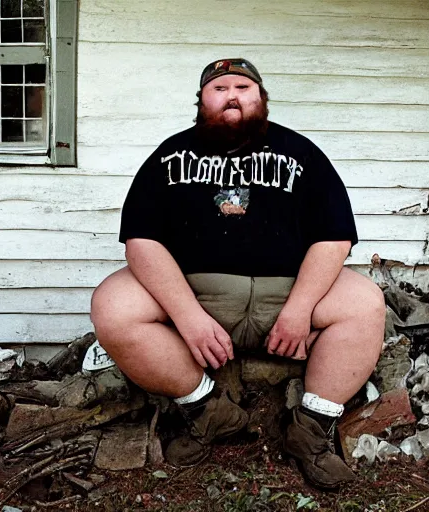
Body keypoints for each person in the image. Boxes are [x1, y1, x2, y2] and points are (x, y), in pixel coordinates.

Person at [90, 58, 386, 489]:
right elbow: (141, 242)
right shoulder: (168, 156)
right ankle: (210, 412)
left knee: (364, 302)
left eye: (243, 87)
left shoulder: (302, 153)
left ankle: (310, 431)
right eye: (220, 87)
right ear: (201, 101)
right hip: (198, 296)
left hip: (285, 295)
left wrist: (300, 309)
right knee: (113, 305)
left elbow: (335, 236)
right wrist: (188, 317)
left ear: (261, 98)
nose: (232, 95)